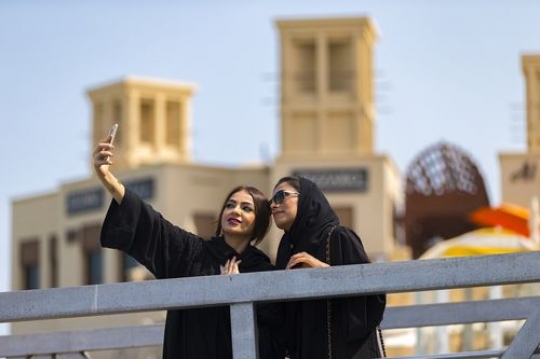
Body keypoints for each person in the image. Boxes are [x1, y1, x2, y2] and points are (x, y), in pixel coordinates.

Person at [92, 135, 285, 359]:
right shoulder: (193, 252)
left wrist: (236, 294)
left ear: (259, 221)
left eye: (246, 208)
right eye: (230, 205)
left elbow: (274, 340)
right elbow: (151, 223)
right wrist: (107, 178)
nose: (235, 211)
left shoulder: (263, 272)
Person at [271, 176, 387, 359]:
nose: (273, 205)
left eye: (280, 196)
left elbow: (372, 299)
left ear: (306, 198)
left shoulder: (339, 238)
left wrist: (326, 273)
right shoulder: (286, 249)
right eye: (272, 201)